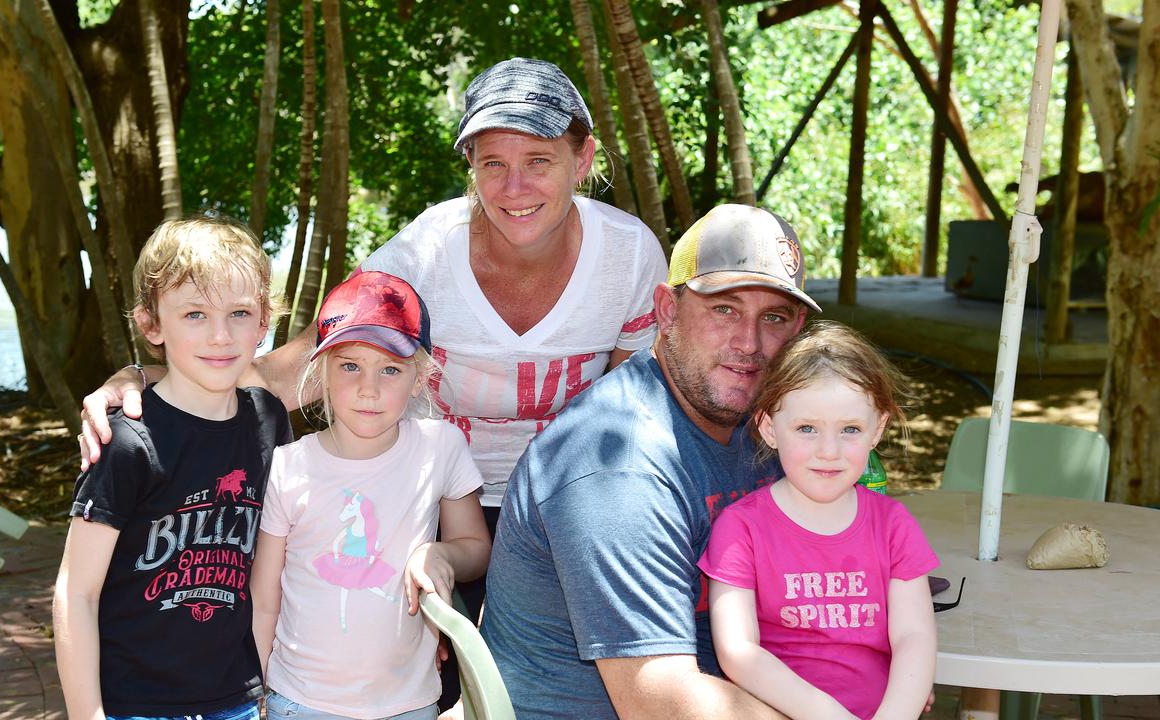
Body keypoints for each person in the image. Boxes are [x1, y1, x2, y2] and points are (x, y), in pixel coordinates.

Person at [79, 56, 667, 706]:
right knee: (434, 682)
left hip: (566, 504)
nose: (514, 185)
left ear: (582, 159)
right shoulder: (423, 254)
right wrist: (151, 382)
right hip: (435, 497)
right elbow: (302, 364)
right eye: (492, 162)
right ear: (470, 166)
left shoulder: (630, 252)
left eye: (540, 160)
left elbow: (633, 412)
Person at [480, 203, 824, 719]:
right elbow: (657, 699)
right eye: (724, 309)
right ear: (666, 311)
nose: (749, 344)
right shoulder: (618, 466)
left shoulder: (766, 427)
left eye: (772, 318)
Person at [53, 217, 292, 720]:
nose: (221, 335)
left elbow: (277, 566)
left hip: (238, 700)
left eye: (240, 312)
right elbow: (76, 590)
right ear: (150, 324)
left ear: (265, 320)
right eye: (195, 315)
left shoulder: (269, 423)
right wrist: (86, 714)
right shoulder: (126, 442)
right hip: (135, 703)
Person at [249, 271, 491, 720]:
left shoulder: (440, 449)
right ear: (320, 370)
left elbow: (476, 550)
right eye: (350, 365)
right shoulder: (288, 466)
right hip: (297, 701)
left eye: (391, 369)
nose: (369, 388)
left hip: (410, 703)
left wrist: (443, 555)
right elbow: (265, 598)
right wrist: (260, 693)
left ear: (420, 377)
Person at [698, 321, 938, 720]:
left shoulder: (895, 525)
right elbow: (738, 651)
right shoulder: (741, 529)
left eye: (850, 429)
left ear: (877, 430)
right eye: (807, 428)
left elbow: (914, 637)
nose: (829, 451)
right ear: (770, 428)